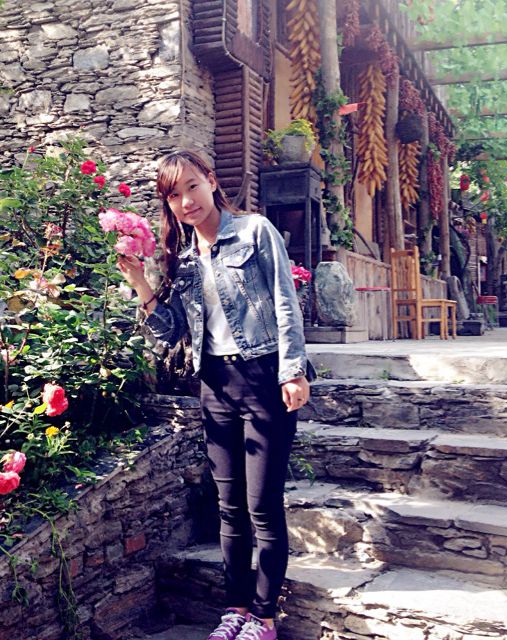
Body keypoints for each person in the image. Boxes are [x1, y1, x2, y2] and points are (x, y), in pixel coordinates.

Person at [117, 149, 315, 640]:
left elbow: (285, 303)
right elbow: (171, 333)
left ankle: (264, 618)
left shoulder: (255, 232)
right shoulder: (182, 258)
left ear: (210, 180)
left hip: (264, 378)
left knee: (262, 506)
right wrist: (141, 284)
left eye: (192, 186)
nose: (186, 201)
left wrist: (293, 371)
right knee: (228, 507)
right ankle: (236, 609)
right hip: (215, 385)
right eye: (174, 195)